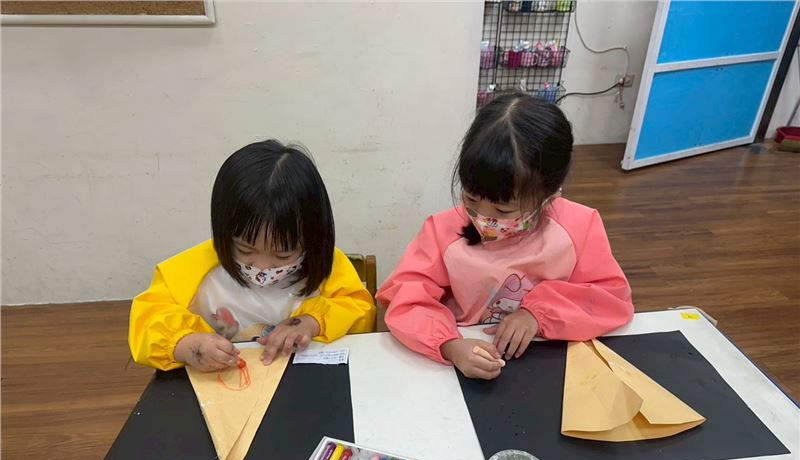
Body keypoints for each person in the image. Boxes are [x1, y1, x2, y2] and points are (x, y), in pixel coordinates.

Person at [377, 93, 633, 380]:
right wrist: (448, 345)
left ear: (549, 197)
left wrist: (538, 315)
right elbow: (405, 298)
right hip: (462, 360)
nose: (483, 217)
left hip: (548, 362)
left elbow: (611, 297)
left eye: (502, 209)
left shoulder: (579, 227)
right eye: (471, 199)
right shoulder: (442, 231)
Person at [129, 140, 375, 371]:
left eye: (283, 255)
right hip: (219, 384)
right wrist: (187, 346)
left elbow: (360, 310)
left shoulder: (328, 265)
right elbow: (147, 321)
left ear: (313, 237)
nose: (262, 268)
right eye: (245, 250)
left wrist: (312, 322)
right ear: (224, 232)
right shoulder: (191, 271)